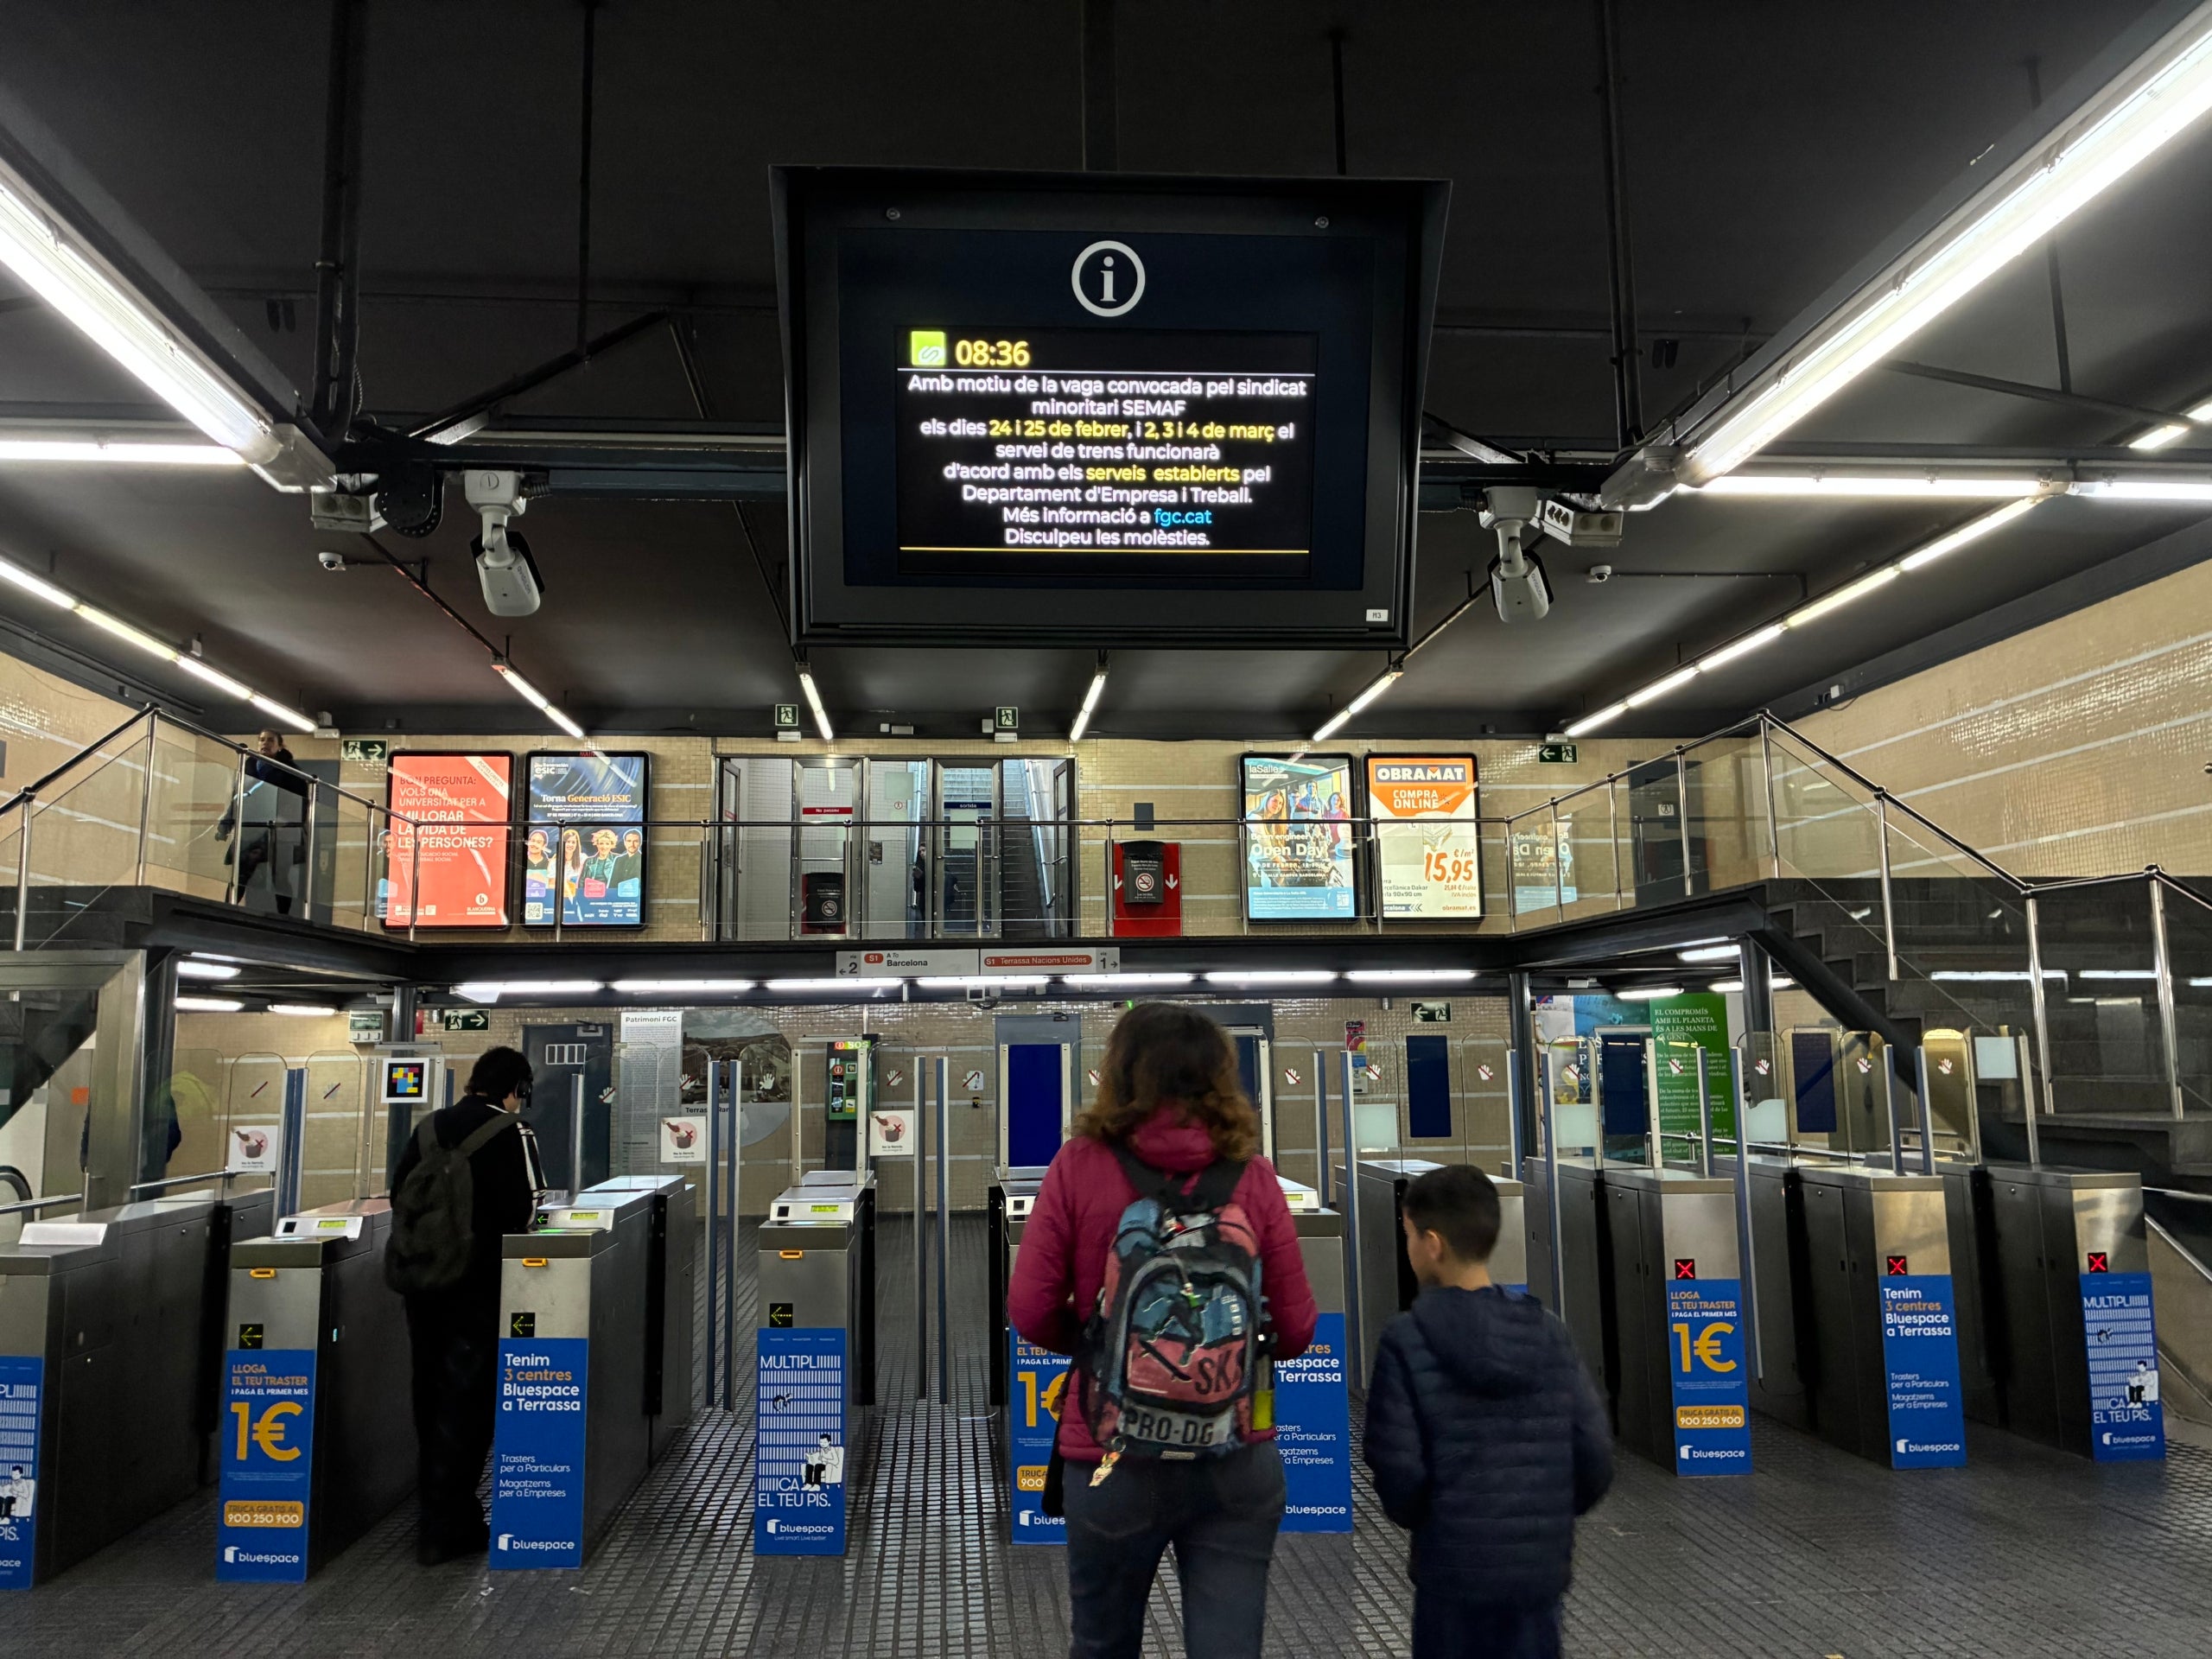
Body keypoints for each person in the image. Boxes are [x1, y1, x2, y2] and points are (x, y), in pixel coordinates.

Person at [1007, 1001, 1316, 1659]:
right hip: (1235, 1454)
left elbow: (1030, 1308)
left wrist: (1107, 1347)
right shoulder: (1254, 1178)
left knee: (1102, 1642)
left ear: (1120, 1073)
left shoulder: (1078, 1166)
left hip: (1112, 1456)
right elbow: (1296, 1328)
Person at [1363, 1165, 1613, 1659]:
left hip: (1450, 1574)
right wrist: (1543, 1516)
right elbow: (1595, 1455)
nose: (1409, 1246)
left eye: (1409, 1234)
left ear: (1432, 1244)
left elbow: (1398, 1471)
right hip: (1537, 1578)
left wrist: (1432, 1521)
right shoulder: (1548, 1331)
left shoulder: (1406, 1338)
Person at [390, 1046, 545, 1565]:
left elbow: (399, 1195)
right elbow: (526, 1210)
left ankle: (433, 1513)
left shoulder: (430, 1127)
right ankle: (450, 1522)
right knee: (469, 1399)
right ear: (516, 1088)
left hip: (424, 1283)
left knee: (428, 1393)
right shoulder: (512, 1132)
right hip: (478, 1287)